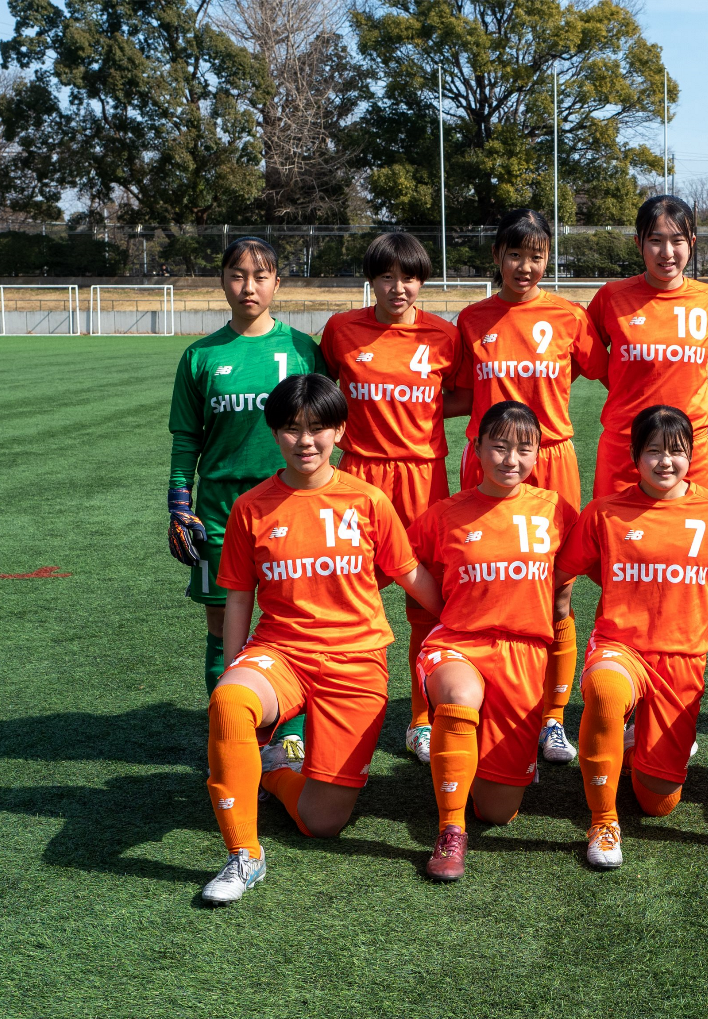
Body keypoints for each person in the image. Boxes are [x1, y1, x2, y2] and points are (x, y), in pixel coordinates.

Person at [201, 374, 444, 904]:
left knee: (322, 821)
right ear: (274, 434)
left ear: (340, 431)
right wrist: (234, 663)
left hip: (356, 662)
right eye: (291, 429)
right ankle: (245, 854)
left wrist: (468, 625)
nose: (305, 442)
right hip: (280, 651)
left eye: (318, 428)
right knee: (231, 701)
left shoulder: (369, 501)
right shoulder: (252, 508)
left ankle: (276, 765)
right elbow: (239, 595)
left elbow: (410, 576)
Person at [556, 405, 708, 870]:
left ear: (692, 456)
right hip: (619, 646)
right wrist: (557, 618)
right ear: (634, 456)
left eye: (677, 452)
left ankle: (637, 740)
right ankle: (603, 821)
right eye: (654, 452)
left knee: (658, 803)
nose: (666, 462)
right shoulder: (605, 512)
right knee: (604, 692)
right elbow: (561, 572)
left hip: (683, 659)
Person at [454, 209, 605, 766]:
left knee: (559, 590)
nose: (525, 266)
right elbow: (445, 392)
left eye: (536, 256)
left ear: (548, 259)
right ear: (497, 257)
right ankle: (488, 703)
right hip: (486, 460)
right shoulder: (470, 320)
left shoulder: (568, 316)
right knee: (482, 586)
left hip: (552, 459)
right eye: (515, 254)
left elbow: (618, 374)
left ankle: (552, 718)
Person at [167, 236, 325, 762]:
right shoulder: (201, 356)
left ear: (278, 283)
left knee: (293, 621)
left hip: (290, 508)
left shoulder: (303, 350)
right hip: (218, 513)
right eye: (238, 275)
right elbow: (187, 437)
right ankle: (228, 727)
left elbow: (324, 425)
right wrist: (178, 501)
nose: (248, 286)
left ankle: (292, 732)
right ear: (223, 281)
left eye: (260, 276)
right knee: (221, 625)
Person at [407, 401, 577, 881]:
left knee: (500, 811)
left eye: (525, 448)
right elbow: (401, 561)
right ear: (477, 446)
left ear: (540, 454)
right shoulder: (445, 515)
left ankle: (476, 760)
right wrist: (446, 610)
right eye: (499, 446)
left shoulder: (556, 510)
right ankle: (450, 829)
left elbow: (575, 577)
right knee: (460, 697)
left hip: (525, 657)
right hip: (458, 645)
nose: (511, 459)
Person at [319, 231, 467, 765]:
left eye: (408, 277)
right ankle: (334, 708)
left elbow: (467, 396)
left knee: (427, 603)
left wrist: (420, 414)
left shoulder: (444, 337)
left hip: (424, 481)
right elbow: (321, 391)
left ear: (422, 281)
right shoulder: (341, 330)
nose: (397, 288)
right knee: (346, 601)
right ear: (371, 280)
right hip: (357, 479)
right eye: (386, 276)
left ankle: (421, 718)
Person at [585, 196, 708, 497]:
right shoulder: (611, 297)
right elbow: (592, 361)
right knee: (616, 536)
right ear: (638, 242)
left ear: (691, 242)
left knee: (694, 536)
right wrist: (624, 389)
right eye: (655, 240)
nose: (667, 252)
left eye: (677, 241)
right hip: (625, 445)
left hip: (688, 448)